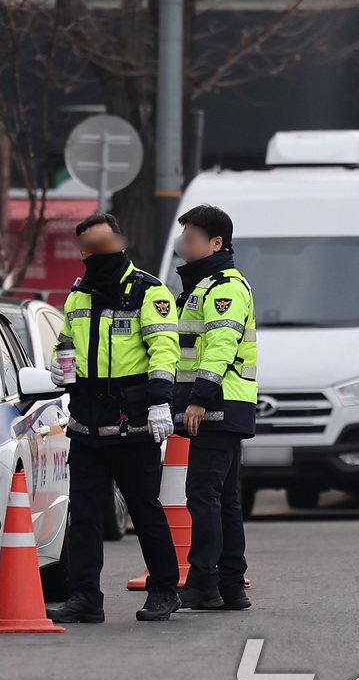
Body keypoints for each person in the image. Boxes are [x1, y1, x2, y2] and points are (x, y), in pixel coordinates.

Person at [46, 214, 183, 623]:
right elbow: (65, 342)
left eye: (103, 244)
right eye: (88, 247)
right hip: (86, 421)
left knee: (144, 510)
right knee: (85, 515)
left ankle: (164, 589)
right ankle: (86, 596)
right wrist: (59, 365)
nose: (95, 254)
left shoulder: (148, 291)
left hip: (133, 421)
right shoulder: (78, 295)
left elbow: (164, 349)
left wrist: (160, 402)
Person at [171, 204, 256, 611]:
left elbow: (220, 345)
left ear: (215, 243)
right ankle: (230, 585)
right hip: (223, 406)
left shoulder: (223, 287)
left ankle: (204, 582)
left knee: (202, 495)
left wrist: (199, 399)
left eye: (190, 238)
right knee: (223, 498)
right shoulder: (205, 286)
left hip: (218, 405)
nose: (183, 245)